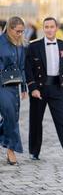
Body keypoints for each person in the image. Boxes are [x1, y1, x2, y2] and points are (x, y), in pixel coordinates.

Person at [25, 17, 63, 162]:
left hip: (57, 87)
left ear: (56, 28)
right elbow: (28, 69)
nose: (49, 29)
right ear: (43, 28)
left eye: (52, 26)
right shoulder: (34, 46)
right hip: (39, 88)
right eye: (46, 27)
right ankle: (34, 151)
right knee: (36, 121)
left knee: (62, 119)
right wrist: (32, 88)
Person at [0, 17, 28, 166]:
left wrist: (24, 87)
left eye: (22, 31)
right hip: (1, 85)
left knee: (13, 117)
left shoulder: (20, 44)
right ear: (9, 29)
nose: (20, 34)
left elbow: (22, 67)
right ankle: (12, 151)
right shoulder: (0, 42)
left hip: (14, 86)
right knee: (10, 116)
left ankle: (9, 148)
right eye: (17, 31)